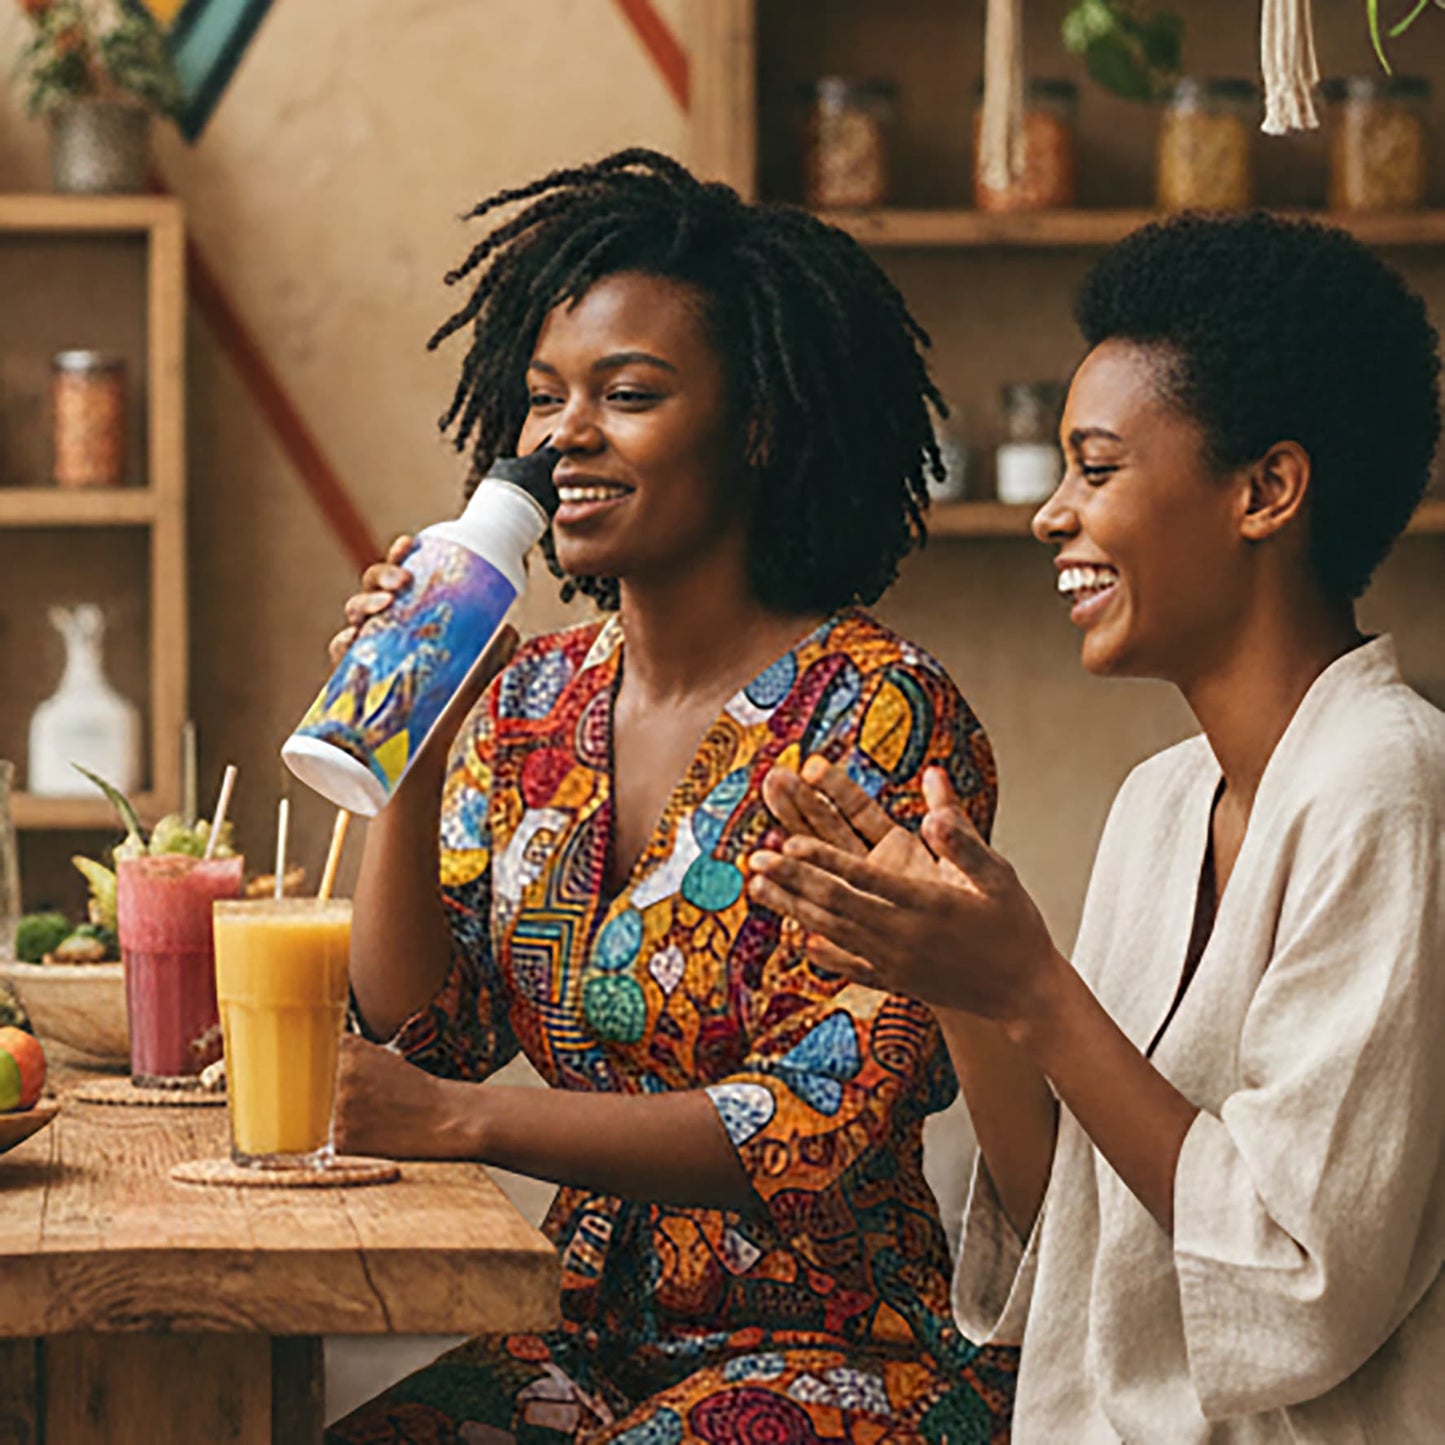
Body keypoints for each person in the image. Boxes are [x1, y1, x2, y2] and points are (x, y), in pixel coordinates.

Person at [324, 150, 1015, 1444]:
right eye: (542, 399)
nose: (562, 436)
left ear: (756, 424)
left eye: (627, 394)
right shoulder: (530, 703)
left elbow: (816, 1116)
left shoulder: (874, 716)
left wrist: (469, 1123)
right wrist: (411, 747)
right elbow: (430, 1040)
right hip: (580, 1327)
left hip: (836, 1345)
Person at [748, 211, 1445, 1441]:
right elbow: (1074, 1222)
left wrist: (1031, 990)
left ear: (1265, 490)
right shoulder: (1161, 802)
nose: (1050, 512)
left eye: (1098, 466)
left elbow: (1302, 1276)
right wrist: (956, 976)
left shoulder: (1390, 790)